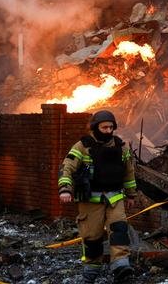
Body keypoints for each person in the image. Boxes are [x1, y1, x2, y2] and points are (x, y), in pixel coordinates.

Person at [58, 110, 138, 283]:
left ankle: (121, 265)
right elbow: (67, 167)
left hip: (115, 198)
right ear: (95, 127)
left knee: (119, 230)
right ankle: (91, 270)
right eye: (104, 127)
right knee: (92, 237)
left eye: (111, 127)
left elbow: (129, 172)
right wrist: (65, 189)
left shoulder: (121, 147)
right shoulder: (82, 146)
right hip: (90, 200)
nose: (108, 131)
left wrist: (131, 194)